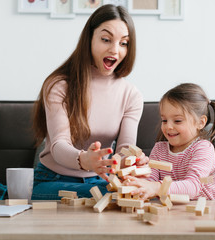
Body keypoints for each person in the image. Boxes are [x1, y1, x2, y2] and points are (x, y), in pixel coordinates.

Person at [31, 4, 147, 200]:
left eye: (123, 43)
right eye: (106, 39)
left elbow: (124, 149)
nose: (114, 49)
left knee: (134, 194)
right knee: (108, 197)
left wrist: (132, 162)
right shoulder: (58, 85)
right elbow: (59, 145)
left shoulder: (131, 95)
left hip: (100, 181)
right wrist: (84, 159)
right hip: (52, 180)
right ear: (89, 39)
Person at [123, 83, 215, 200]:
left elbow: (193, 186)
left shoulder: (203, 148)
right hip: (170, 212)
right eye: (164, 120)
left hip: (201, 213)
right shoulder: (159, 149)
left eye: (178, 121)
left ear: (201, 122)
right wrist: (136, 180)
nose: (168, 126)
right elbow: (150, 181)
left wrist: (156, 187)